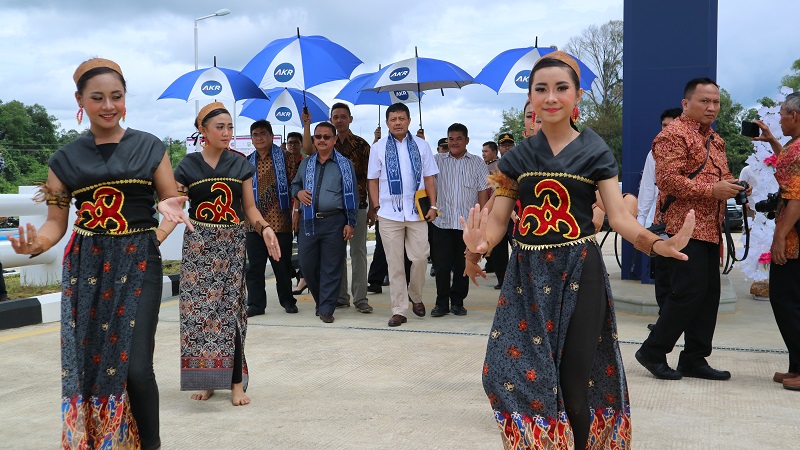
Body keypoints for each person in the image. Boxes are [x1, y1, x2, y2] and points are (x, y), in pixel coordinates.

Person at [461, 51, 694, 449]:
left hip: (578, 270)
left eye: (560, 88)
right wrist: (479, 246)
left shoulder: (595, 151)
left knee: (575, 383)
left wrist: (657, 243)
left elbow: (619, 217)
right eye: (541, 89)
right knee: (503, 371)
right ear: (531, 98)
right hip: (526, 275)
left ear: (577, 96)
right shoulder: (517, 156)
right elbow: (499, 220)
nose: (551, 97)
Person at [8, 58, 191, 449]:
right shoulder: (65, 159)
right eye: (98, 98)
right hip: (86, 265)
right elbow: (56, 221)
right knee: (91, 366)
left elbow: (169, 199)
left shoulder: (150, 147)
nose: (108, 106)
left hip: (139, 261)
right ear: (80, 100)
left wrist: (164, 215)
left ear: (125, 99)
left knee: (137, 368)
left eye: (116, 97)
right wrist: (37, 244)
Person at [162, 102, 281, 406]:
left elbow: (250, 208)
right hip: (198, 245)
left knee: (230, 314)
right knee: (198, 314)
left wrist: (265, 228)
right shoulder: (187, 166)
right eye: (220, 127)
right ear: (203, 130)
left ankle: (236, 383)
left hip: (231, 245)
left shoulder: (241, 164)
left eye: (230, 127)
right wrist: (158, 236)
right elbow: (174, 207)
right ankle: (207, 380)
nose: (227, 133)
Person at [636, 78, 747, 382]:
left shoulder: (717, 139)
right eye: (704, 101)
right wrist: (714, 190)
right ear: (686, 103)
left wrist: (734, 185)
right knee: (687, 294)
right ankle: (653, 351)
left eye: (716, 102)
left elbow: (722, 175)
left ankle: (695, 358)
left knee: (708, 295)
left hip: (712, 228)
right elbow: (669, 181)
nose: (711, 107)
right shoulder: (672, 135)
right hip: (682, 228)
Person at [367, 102, 439, 327]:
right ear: (387, 123)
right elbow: (373, 179)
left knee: (419, 258)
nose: (397, 122)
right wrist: (377, 207)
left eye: (401, 118)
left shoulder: (421, 145)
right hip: (389, 213)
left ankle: (415, 296)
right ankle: (399, 309)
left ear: (409, 121)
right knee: (395, 263)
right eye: (393, 119)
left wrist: (433, 206)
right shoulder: (377, 148)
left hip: (417, 212)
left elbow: (429, 177)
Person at [752, 92, 800, 390]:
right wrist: (772, 140)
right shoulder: (794, 147)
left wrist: (780, 237)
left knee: (786, 301)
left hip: (794, 238)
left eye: (781, 114)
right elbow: (790, 169)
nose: (778, 119)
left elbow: (795, 198)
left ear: (794, 116)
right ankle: (795, 366)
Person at [291, 121, 358, 323]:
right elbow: (294, 186)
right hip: (309, 221)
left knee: (331, 266)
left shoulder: (345, 165)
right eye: (318, 137)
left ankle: (326, 307)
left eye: (326, 137)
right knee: (307, 264)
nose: (322, 140)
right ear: (313, 140)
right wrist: (299, 192)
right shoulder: (306, 164)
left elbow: (352, 194)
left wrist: (350, 222)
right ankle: (322, 301)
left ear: (335, 139)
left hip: (334, 221)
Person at [430, 123, 490, 317]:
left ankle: (458, 302)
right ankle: (441, 303)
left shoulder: (477, 162)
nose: (454, 142)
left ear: (467, 141)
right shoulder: (437, 160)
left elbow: (483, 190)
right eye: (451, 139)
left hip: (467, 225)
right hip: (442, 222)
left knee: (463, 264)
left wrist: (481, 219)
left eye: (458, 139)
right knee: (441, 265)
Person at [244, 120, 300, 317]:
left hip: (280, 222)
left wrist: (297, 211)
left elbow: (296, 185)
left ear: (271, 135)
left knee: (282, 265)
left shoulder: (286, 158)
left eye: (263, 134)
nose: (259, 138)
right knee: (255, 267)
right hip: (254, 224)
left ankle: (287, 300)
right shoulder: (246, 162)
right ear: (251, 139)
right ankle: (256, 305)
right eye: (255, 135)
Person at [638, 107, 682, 326]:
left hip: (685, 223)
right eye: (664, 126)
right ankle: (664, 318)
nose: (667, 130)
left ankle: (679, 320)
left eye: (672, 125)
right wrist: (641, 220)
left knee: (682, 274)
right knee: (663, 273)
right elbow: (647, 187)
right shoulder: (653, 153)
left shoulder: (693, 149)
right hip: (660, 222)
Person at [328, 103, 373, 313]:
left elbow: (372, 178)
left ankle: (361, 298)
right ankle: (341, 296)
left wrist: (373, 207)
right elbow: (309, 151)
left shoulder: (363, 145)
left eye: (343, 116)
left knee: (358, 252)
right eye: (335, 117)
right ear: (331, 120)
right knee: (337, 253)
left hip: (359, 206)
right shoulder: (327, 145)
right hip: (335, 209)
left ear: (350, 119)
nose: (339, 120)